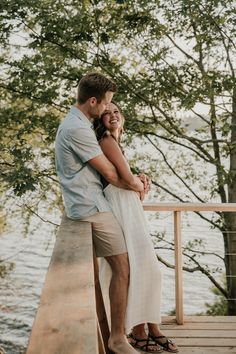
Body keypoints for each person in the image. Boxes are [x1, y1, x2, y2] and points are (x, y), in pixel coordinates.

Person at [55, 72, 148, 354]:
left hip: (89, 205)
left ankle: (113, 333)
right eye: (106, 103)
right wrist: (137, 185)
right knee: (122, 266)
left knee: (117, 268)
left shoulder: (78, 123)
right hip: (91, 208)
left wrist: (136, 180)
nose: (108, 108)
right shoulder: (78, 130)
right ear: (93, 101)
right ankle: (117, 339)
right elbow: (109, 173)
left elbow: (112, 171)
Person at [93, 101, 179, 353]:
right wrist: (141, 183)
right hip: (121, 210)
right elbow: (126, 180)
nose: (112, 115)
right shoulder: (107, 140)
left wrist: (138, 181)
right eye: (106, 113)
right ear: (100, 120)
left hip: (128, 208)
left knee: (147, 269)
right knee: (146, 268)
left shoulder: (116, 143)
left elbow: (125, 178)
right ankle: (140, 331)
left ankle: (152, 328)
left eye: (117, 111)